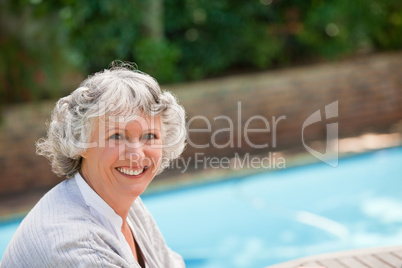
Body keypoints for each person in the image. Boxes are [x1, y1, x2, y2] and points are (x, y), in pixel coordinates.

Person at [2, 63, 187, 268]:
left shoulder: (125, 203)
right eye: (116, 136)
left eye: (149, 136)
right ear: (80, 141)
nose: (136, 154)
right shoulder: (80, 248)